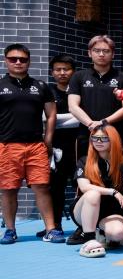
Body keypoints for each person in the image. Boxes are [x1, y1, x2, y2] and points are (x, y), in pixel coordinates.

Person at [0, 44, 59, 245]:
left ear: (29, 61)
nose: (18, 62)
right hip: (7, 146)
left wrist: (48, 140)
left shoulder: (41, 86)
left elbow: (51, 115)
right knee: (8, 189)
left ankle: (51, 229)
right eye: (13, 59)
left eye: (23, 59)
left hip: (36, 146)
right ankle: (10, 230)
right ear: (6, 60)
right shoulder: (1, 85)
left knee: (42, 187)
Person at [71, 125, 123, 258]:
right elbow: (84, 187)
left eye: (104, 138)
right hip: (84, 209)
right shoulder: (84, 161)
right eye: (95, 138)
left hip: (110, 212)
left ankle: (101, 233)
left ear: (113, 140)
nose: (98, 141)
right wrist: (112, 191)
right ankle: (89, 240)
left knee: (118, 234)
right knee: (93, 194)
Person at [68, 35, 123, 154]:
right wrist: (91, 124)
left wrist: (103, 122)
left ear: (113, 54)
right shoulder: (79, 76)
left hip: (115, 134)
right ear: (89, 53)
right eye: (97, 51)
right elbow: (73, 106)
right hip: (87, 134)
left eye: (106, 51)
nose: (101, 54)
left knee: (115, 165)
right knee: (86, 165)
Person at [40, 54, 78, 239]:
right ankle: (55, 226)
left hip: (79, 147)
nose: (62, 73)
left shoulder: (79, 90)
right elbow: (44, 118)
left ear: (73, 71)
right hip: (55, 149)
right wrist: (75, 117)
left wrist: (53, 120)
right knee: (55, 189)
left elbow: (83, 118)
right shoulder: (48, 92)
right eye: (58, 69)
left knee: (80, 187)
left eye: (66, 69)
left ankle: (83, 226)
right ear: (52, 72)